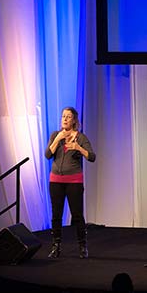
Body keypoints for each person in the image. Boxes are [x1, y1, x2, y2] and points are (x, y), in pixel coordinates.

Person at [45, 107, 96, 259]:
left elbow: (92, 157)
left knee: (77, 215)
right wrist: (57, 139)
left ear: (74, 120)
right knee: (56, 215)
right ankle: (56, 246)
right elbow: (48, 154)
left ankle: (82, 246)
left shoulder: (80, 138)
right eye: (63, 116)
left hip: (74, 181)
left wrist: (78, 148)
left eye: (68, 117)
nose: (65, 119)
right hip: (55, 180)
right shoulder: (56, 135)